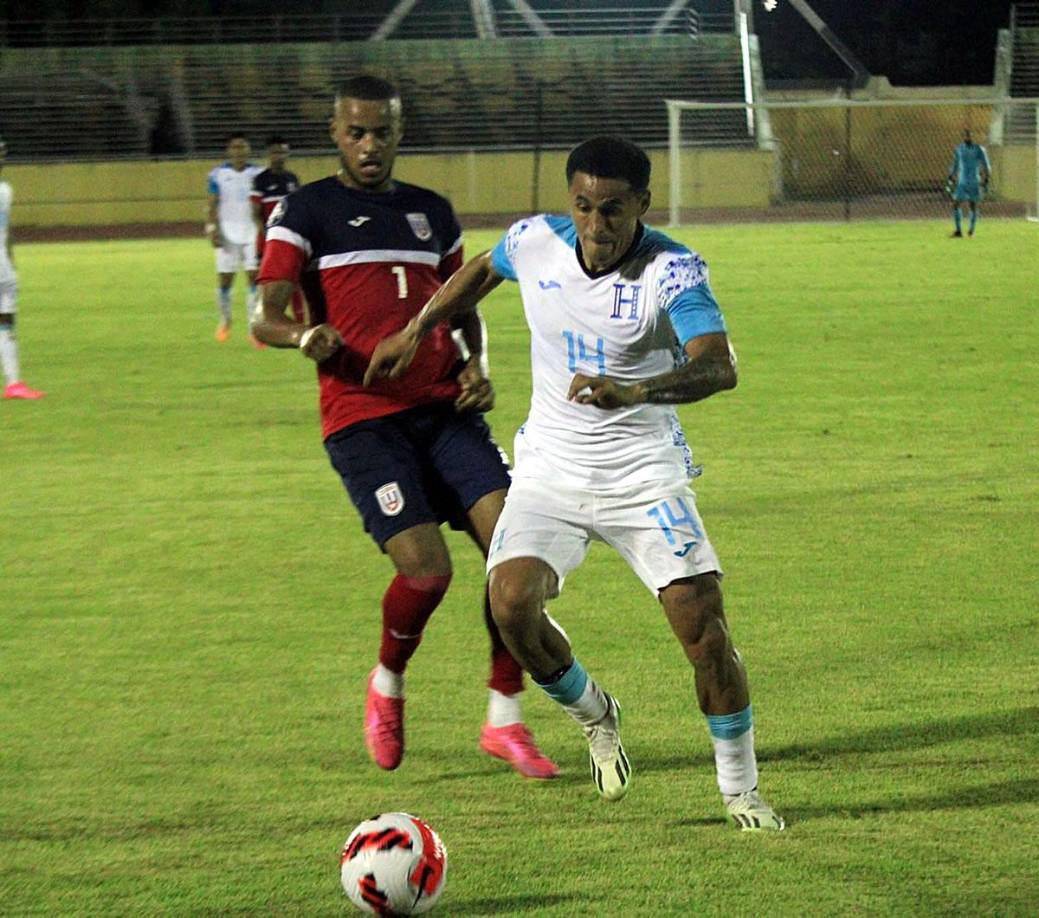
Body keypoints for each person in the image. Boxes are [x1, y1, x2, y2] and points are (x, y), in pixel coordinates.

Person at [366, 135, 785, 831]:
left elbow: (718, 366)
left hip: (643, 474)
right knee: (509, 603)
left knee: (702, 628)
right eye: (584, 206)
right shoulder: (535, 240)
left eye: (613, 209)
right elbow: (479, 269)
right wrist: (420, 326)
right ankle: (594, 714)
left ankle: (739, 791)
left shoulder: (672, 270)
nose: (595, 225)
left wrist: (635, 390)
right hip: (549, 471)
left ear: (642, 206)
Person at [251, 75, 557, 780]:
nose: (368, 145)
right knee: (426, 574)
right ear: (334, 132)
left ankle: (505, 719)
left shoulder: (430, 212)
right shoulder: (306, 210)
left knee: (518, 559)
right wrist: (303, 338)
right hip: (363, 421)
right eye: (355, 132)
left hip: (444, 410)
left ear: (398, 131)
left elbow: (463, 304)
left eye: (381, 131)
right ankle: (386, 684)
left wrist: (476, 364)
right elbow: (265, 313)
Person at [206, 133, 263, 343]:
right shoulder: (217, 174)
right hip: (226, 233)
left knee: (254, 281)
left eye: (242, 147)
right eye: (235, 147)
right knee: (225, 281)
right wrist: (212, 228)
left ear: (248, 150)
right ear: (228, 151)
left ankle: (253, 328)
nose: (239, 151)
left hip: (252, 233)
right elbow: (212, 203)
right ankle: (225, 321)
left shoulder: (259, 173)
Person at [0, 137, 45, 401]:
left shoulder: (5, 191)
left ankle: (14, 383)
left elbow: (6, 235)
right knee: (5, 323)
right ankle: (14, 383)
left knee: (5, 323)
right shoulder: (5, 191)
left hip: (4, 271)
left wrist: (11, 263)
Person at [250, 136, 306, 323]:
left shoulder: (292, 179)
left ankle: (300, 324)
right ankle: (261, 325)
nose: (279, 156)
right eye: (275, 152)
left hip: (290, 242)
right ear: (269, 154)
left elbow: (298, 209)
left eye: (282, 152)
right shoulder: (260, 180)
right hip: (268, 242)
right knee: (268, 286)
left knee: (295, 284)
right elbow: (256, 213)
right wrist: (267, 237)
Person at [947, 129, 991, 238]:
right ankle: (958, 231)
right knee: (956, 204)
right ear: (963, 137)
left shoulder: (979, 149)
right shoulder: (959, 149)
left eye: (969, 136)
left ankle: (971, 231)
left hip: (974, 181)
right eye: (965, 136)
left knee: (972, 205)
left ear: (972, 137)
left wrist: (986, 178)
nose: (967, 138)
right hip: (962, 181)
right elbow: (956, 164)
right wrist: (951, 176)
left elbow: (986, 165)